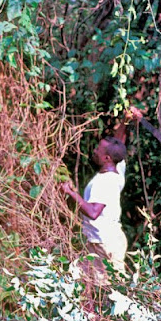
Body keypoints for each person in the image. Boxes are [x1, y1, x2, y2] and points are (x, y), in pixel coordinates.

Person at [60, 107, 142, 281]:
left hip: (105, 245)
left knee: (110, 291)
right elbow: (117, 145)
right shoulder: (117, 169)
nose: (95, 151)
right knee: (89, 285)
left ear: (106, 159)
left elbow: (93, 212)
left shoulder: (103, 183)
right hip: (102, 241)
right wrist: (125, 122)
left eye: (98, 150)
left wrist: (70, 192)